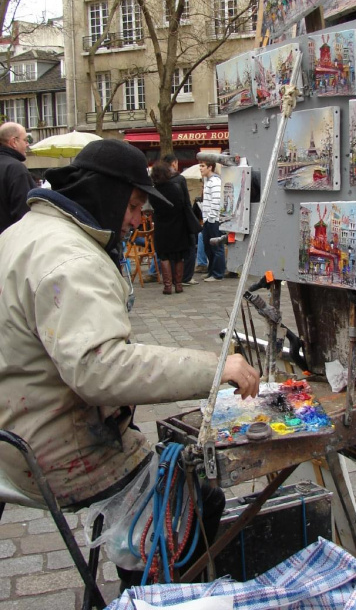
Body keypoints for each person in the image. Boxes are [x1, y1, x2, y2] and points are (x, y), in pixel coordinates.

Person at [0, 139, 259, 581]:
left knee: (154, 456)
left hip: (13, 428)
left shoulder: (22, 231)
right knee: (193, 497)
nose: (138, 220)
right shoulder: (71, 259)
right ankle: (155, 597)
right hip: (47, 446)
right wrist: (217, 368)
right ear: (107, 193)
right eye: (135, 206)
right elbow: (101, 369)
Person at [150, 153, 198, 294]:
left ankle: (167, 286)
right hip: (178, 225)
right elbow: (184, 204)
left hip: (162, 226)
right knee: (178, 256)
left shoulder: (154, 191)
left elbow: (152, 208)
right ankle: (179, 285)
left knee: (164, 255)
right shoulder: (176, 187)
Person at [0, 121, 36, 234]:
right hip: (9, 243)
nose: (27, 144)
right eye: (25, 140)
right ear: (13, 142)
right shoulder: (16, 169)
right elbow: (24, 215)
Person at [200, 160, 226, 282]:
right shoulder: (208, 181)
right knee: (208, 247)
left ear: (210, 167)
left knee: (217, 247)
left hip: (213, 220)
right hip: (208, 220)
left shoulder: (215, 181)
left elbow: (216, 200)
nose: (200, 168)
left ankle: (217, 274)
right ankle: (211, 271)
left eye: (203, 166)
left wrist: (210, 217)